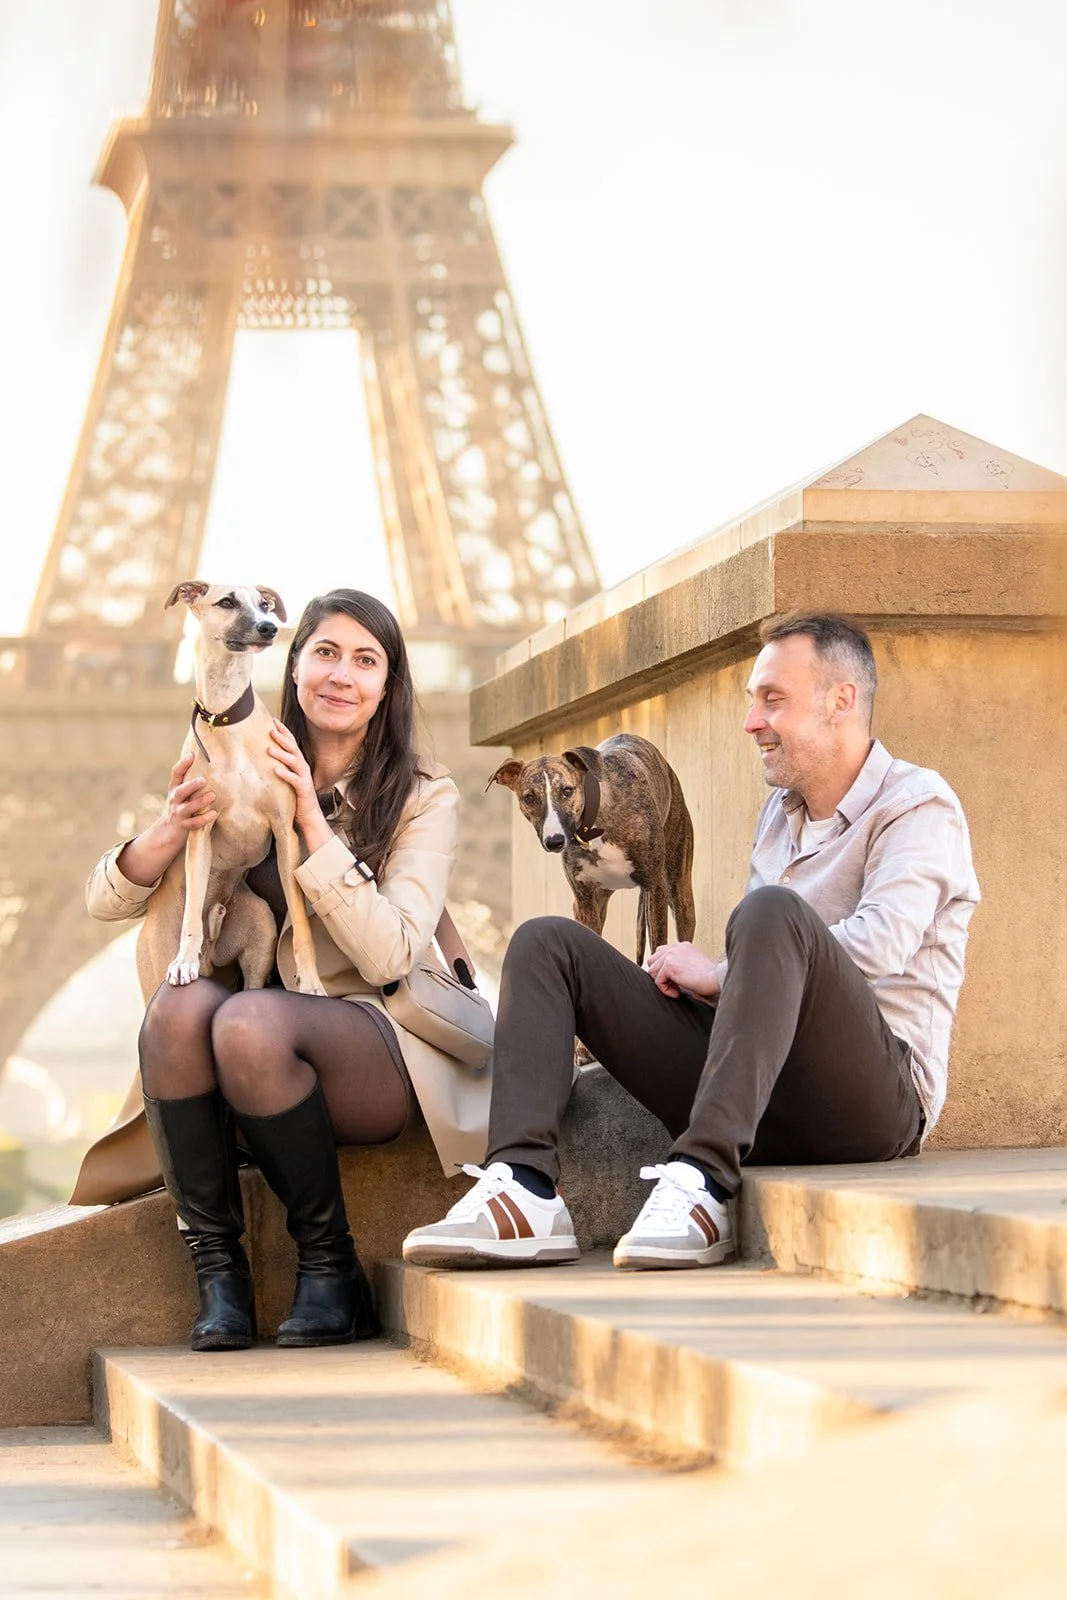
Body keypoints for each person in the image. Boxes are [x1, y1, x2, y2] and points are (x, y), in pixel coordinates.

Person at [404, 612, 980, 1272]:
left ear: (840, 701)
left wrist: (719, 974)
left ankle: (702, 1182)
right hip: (757, 1095)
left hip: (871, 1106)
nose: (751, 722)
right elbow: (760, 979)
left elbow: (880, 944)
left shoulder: (917, 803)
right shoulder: (780, 813)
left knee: (770, 912)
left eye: (772, 700)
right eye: (750, 703)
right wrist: (710, 983)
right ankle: (525, 1189)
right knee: (546, 943)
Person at [75, 589, 478, 1350]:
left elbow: (390, 953)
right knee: (178, 1007)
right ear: (289, 664)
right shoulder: (234, 750)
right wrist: (169, 831)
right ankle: (219, 1279)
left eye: (366, 661)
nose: (340, 675)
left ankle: (331, 1272)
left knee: (246, 1019)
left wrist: (311, 822)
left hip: (376, 1037)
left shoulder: (426, 796)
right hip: (242, 1042)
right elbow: (104, 901)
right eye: (324, 652)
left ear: (388, 686)